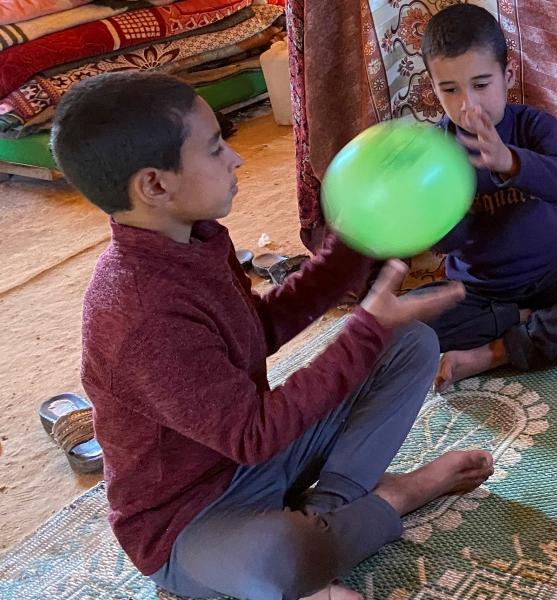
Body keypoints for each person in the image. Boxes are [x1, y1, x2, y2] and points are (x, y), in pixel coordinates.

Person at [52, 71, 494, 600]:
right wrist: (363, 329)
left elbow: (255, 331)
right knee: (280, 560)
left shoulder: (196, 238)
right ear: (155, 184)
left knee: (410, 343)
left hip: (256, 461)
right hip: (189, 518)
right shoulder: (141, 312)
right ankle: (391, 500)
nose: (236, 159)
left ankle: (332, 513)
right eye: (217, 149)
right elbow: (253, 432)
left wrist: (349, 247)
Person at [417, 4, 557, 389]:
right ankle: (536, 325)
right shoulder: (433, 151)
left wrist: (509, 162)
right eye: (449, 89)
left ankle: (492, 354)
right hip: (478, 291)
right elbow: (443, 243)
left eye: (481, 84)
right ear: (433, 87)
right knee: (399, 326)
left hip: (553, 277)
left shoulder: (532, 124)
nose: (467, 104)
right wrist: (451, 196)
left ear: (508, 75)